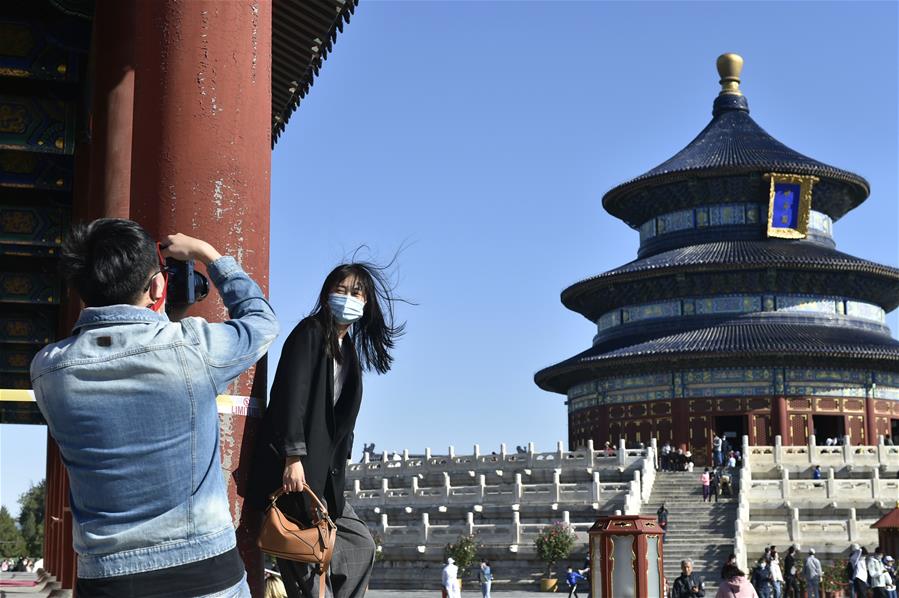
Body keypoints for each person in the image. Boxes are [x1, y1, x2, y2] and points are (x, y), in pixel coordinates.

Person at [30, 220, 278, 597]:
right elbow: (261, 322)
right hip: (205, 572)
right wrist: (208, 255)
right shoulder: (194, 349)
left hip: (106, 579)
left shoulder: (49, 369)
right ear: (158, 285)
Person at [249, 261, 404, 598]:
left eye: (356, 292)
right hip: (297, 473)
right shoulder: (310, 332)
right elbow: (290, 396)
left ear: (366, 304)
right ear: (327, 293)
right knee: (303, 556)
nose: (347, 297)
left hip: (326, 480)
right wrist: (292, 457)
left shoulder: (348, 351)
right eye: (341, 289)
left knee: (360, 544)